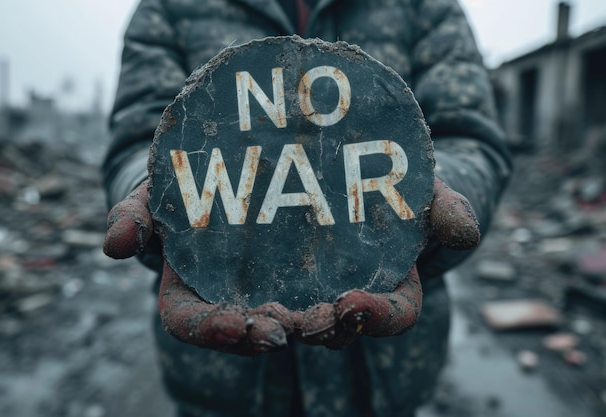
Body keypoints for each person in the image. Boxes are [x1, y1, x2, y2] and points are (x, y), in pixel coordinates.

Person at [102, 0, 512, 416]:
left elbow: (471, 141)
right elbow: (140, 141)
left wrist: (420, 207)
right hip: (226, 387)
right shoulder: (170, 7)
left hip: (383, 382)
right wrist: (156, 200)